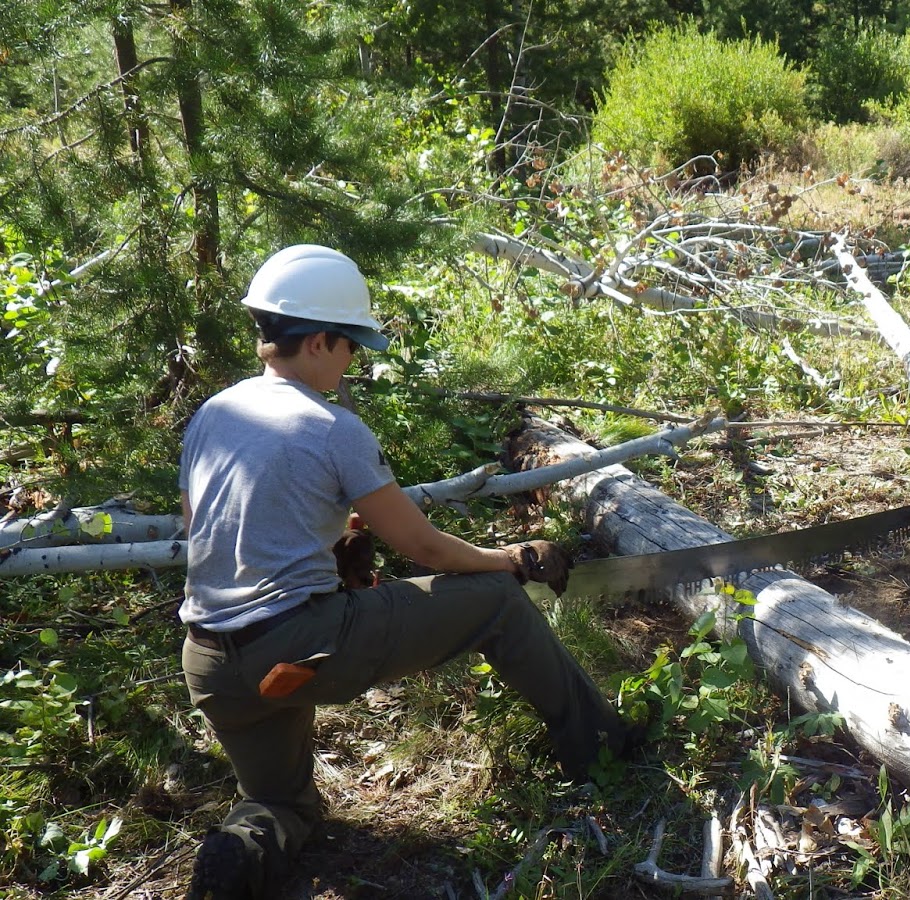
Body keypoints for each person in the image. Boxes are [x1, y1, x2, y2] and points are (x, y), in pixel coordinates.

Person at [180, 245, 632, 899]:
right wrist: (508, 560)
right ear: (319, 341)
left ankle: (239, 852)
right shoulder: (331, 427)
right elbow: (427, 548)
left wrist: (329, 547)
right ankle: (606, 750)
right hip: (298, 645)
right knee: (495, 600)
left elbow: (204, 531)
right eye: (350, 345)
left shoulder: (214, 415)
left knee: (283, 803)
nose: (352, 360)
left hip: (211, 666)